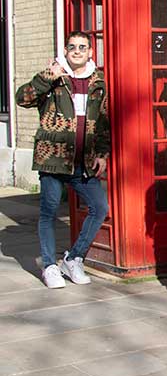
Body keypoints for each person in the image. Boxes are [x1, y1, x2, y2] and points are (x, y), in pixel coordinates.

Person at [16, 30, 110, 288]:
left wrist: (102, 154)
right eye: (72, 47)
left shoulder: (98, 82)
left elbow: (103, 123)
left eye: (82, 47)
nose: (77, 51)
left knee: (100, 207)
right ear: (66, 51)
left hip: (83, 162)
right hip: (53, 160)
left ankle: (74, 258)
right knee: (48, 212)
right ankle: (49, 266)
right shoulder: (54, 79)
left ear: (91, 52)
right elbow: (21, 98)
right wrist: (47, 76)